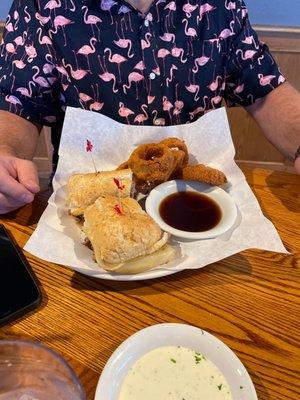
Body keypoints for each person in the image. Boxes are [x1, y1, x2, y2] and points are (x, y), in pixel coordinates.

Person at [0, 0, 299, 214]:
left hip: (197, 204)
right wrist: (5, 153)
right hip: (92, 208)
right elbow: (17, 101)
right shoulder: (39, 6)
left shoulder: (220, 5)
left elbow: (266, 88)